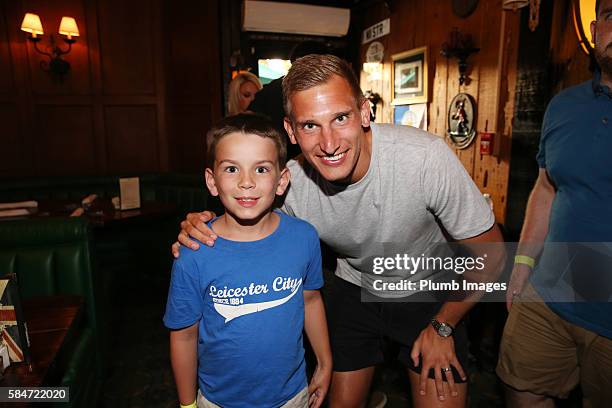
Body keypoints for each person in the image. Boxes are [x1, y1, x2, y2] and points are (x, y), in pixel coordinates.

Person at [174, 55, 505, 407]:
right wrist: (201, 223)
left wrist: (444, 326)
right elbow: (243, 208)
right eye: (310, 126)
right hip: (355, 288)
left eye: (341, 118)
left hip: (430, 292)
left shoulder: (424, 158)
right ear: (291, 131)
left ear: (364, 112)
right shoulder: (290, 182)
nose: (328, 143)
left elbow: (493, 253)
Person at [164, 114, 332, 408]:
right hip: (218, 401)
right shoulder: (193, 253)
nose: (246, 182)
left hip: (292, 396)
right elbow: (184, 336)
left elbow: (311, 300)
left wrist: (325, 361)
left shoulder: (304, 238)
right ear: (211, 181)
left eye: (261, 169)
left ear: (281, 182)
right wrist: (187, 404)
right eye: (231, 168)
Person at [497, 1, 612, 406]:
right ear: (596, 29)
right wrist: (524, 264)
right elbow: (547, 187)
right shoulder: (564, 106)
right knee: (521, 394)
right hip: (549, 293)